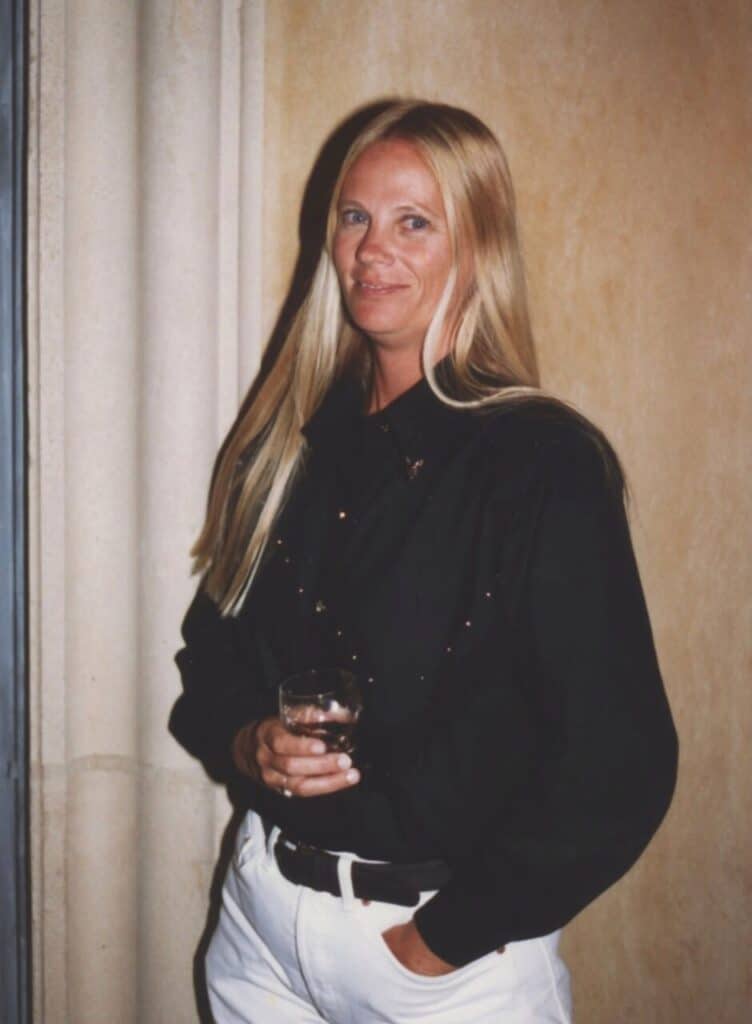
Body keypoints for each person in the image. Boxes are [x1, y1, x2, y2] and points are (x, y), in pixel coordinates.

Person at [169, 100, 678, 1023]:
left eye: (413, 222)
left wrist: (437, 943)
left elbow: (622, 762)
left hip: (437, 964)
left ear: (477, 247)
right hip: (260, 929)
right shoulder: (283, 443)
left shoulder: (542, 464)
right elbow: (211, 655)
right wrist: (247, 740)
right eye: (355, 216)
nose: (371, 250)